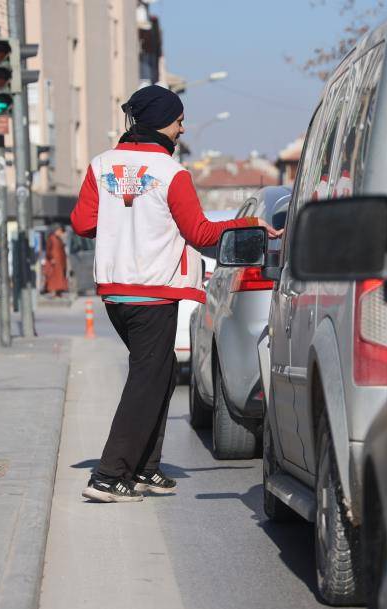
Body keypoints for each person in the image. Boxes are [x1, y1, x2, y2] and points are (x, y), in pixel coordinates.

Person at [70, 84, 281, 503]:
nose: (183, 128)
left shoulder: (101, 165)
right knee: (147, 382)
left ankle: (146, 467)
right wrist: (251, 226)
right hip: (153, 291)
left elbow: (81, 222)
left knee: (161, 375)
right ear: (162, 121)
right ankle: (110, 474)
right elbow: (200, 233)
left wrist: (120, 227)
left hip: (116, 293)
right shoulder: (171, 173)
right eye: (179, 119)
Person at [42, 225, 69, 297]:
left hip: (60, 261)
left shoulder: (59, 239)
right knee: (54, 277)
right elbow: (48, 249)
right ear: (56, 231)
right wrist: (51, 258)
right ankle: (54, 292)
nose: (60, 232)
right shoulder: (51, 238)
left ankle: (59, 292)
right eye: (59, 231)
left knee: (60, 277)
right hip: (54, 261)